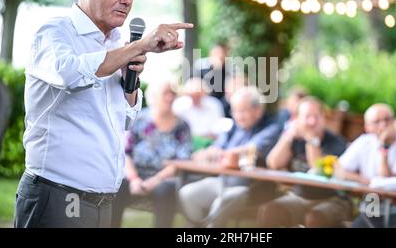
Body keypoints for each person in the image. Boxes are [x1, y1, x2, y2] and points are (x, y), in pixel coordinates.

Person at [15, 0, 193, 228]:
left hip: (103, 202)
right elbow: (70, 73)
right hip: (57, 197)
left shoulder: (116, 43)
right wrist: (138, 46)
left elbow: (124, 120)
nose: (128, 0)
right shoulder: (54, 32)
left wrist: (130, 83)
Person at [178, 86, 281, 227]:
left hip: (251, 188)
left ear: (258, 110)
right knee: (187, 194)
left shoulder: (271, 128)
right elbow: (215, 148)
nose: (238, 116)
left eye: (243, 111)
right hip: (223, 181)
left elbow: (250, 150)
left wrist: (222, 153)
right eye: (235, 111)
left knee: (221, 202)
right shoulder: (234, 127)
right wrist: (209, 152)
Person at [257, 97, 351, 228]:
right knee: (270, 211)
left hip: (332, 199)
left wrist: (311, 140)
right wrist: (288, 137)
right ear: (297, 119)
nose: (311, 122)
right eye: (307, 117)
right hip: (299, 197)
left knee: (314, 218)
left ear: (323, 118)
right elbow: (273, 163)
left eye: (316, 117)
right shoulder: (296, 139)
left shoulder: (336, 143)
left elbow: (318, 171)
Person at [111, 81, 191, 228]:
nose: (169, 97)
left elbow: (181, 161)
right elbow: (126, 153)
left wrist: (154, 181)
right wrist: (134, 179)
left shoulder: (182, 126)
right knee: (118, 187)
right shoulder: (139, 119)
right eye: (165, 94)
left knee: (166, 191)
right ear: (153, 97)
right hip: (136, 174)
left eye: (172, 94)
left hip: (164, 178)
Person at [335, 103, 396, 228]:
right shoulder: (363, 142)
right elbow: (339, 169)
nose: (383, 125)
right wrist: (367, 180)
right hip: (373, 208)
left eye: (387, 119)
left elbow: (385, 181)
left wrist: (384, 147)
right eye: (377, 121)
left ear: (393, 121)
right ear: (367, 127)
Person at [172, 78, 225, 150]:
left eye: (198, 95)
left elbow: (218, 131)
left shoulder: (214, 105)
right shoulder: (179, 105)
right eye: (192, 95)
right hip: (185, 145)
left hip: (211, 146)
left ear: (205, 93)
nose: (195, 98)